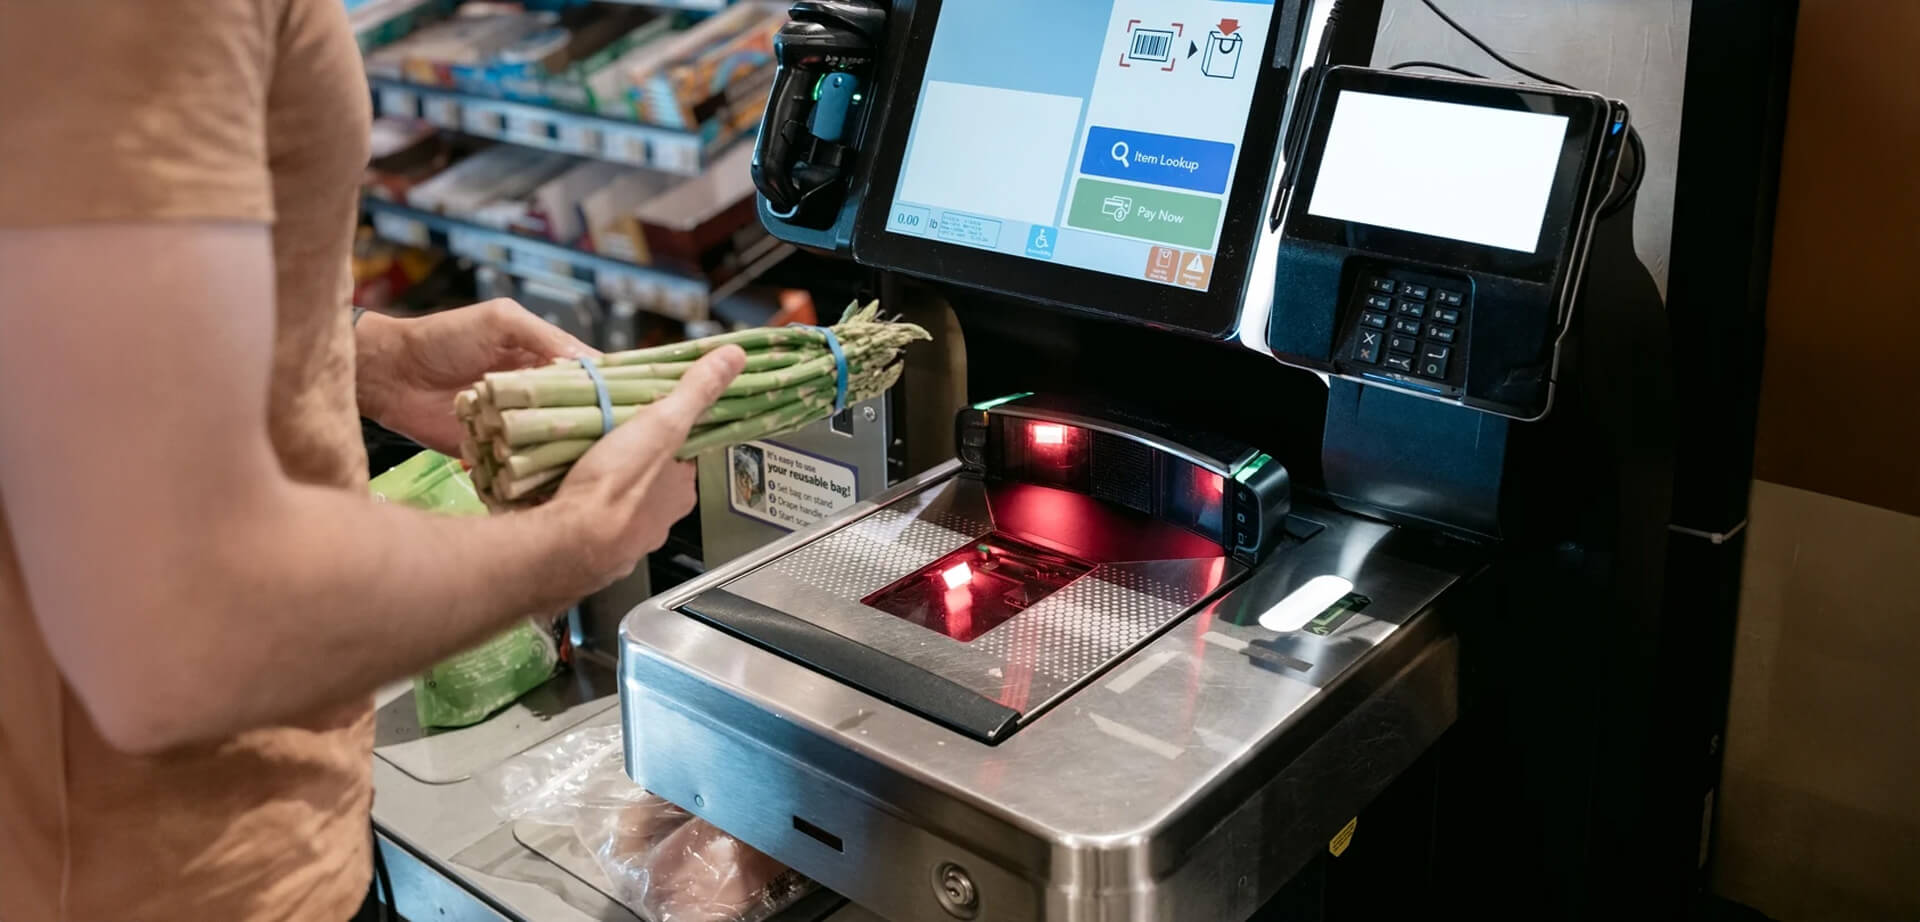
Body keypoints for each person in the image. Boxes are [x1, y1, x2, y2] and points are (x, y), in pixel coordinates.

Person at [0, 3, 746, 920]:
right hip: (166, 876)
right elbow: (178, 630)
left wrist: (359, 360)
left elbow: (74, 348)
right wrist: (570, 543)